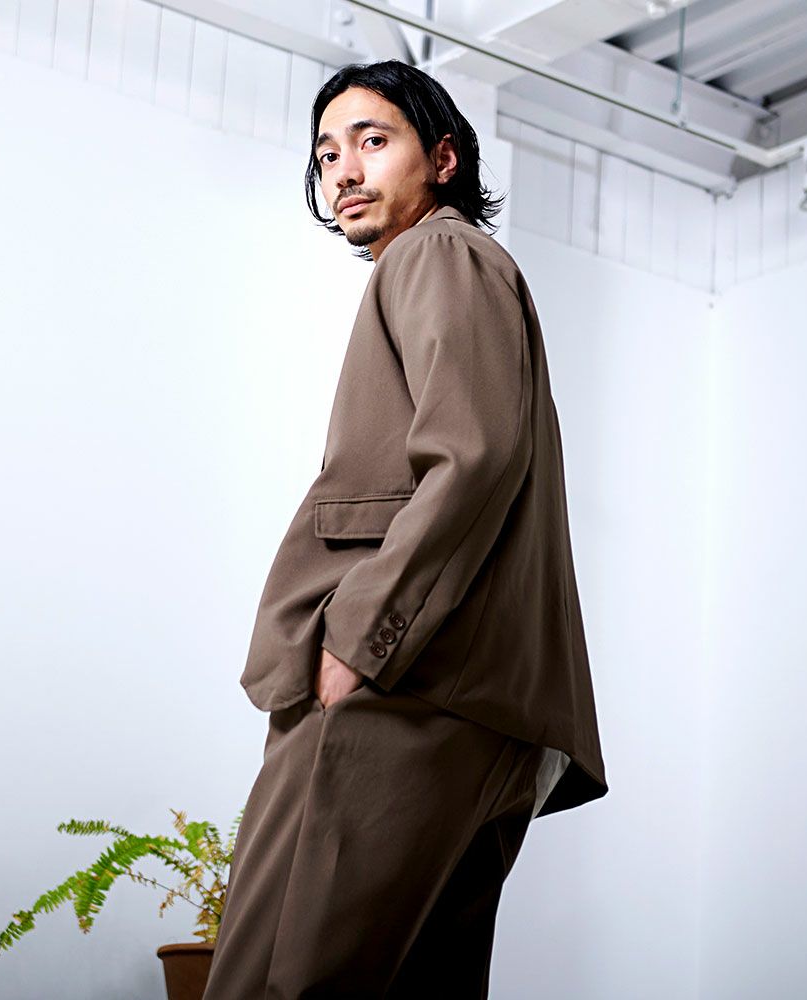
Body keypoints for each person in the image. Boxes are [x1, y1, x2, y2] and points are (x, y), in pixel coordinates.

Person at [202, 59, 608, 999]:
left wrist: (360, 640)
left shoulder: (438, 254)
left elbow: (471, 455)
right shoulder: (460, 268)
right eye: (326, 154)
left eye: (373, 141)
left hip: (404, 687)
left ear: (444, 159)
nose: (343, 169)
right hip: (481, 707)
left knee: (275, 979)